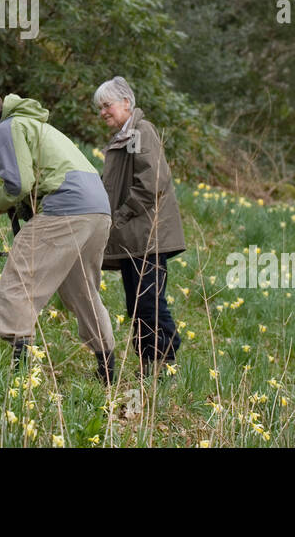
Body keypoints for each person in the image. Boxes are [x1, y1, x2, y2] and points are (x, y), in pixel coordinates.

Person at [0, 87, 117, 384]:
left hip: (67, 206)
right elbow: (33, 182)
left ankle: (19, 373)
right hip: (98, 210)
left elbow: (18, 184)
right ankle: (107, 368)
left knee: (20, 277)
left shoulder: (8, 127)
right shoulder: (36, 124)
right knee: (81, 289)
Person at [95, 76, 185, 374]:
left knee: (149, 303)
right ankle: (149, 364)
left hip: (147, 236)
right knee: (138, 304)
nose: (103, 112)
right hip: (133, 237)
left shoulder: (140, 131)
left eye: (106, 105)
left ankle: (164, 365)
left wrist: (118, 217)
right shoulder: (125, 134)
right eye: (99, 107)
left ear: (126, 102)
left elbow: (152, 182)